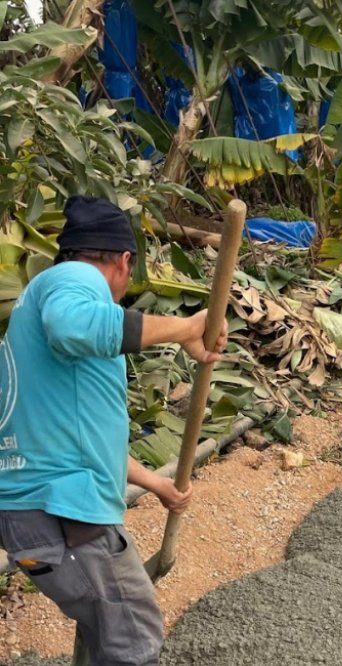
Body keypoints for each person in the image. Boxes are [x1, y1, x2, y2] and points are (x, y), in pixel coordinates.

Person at [0, 196, 228, 665]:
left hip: (39, 518)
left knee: (106, 631)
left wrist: (155, 484)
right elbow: (74, 326)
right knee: (133, 641)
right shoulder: (74, 280)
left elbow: (81, 438)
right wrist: (186, 327)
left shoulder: (36, 309)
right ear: (124, 261)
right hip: (63, 518)